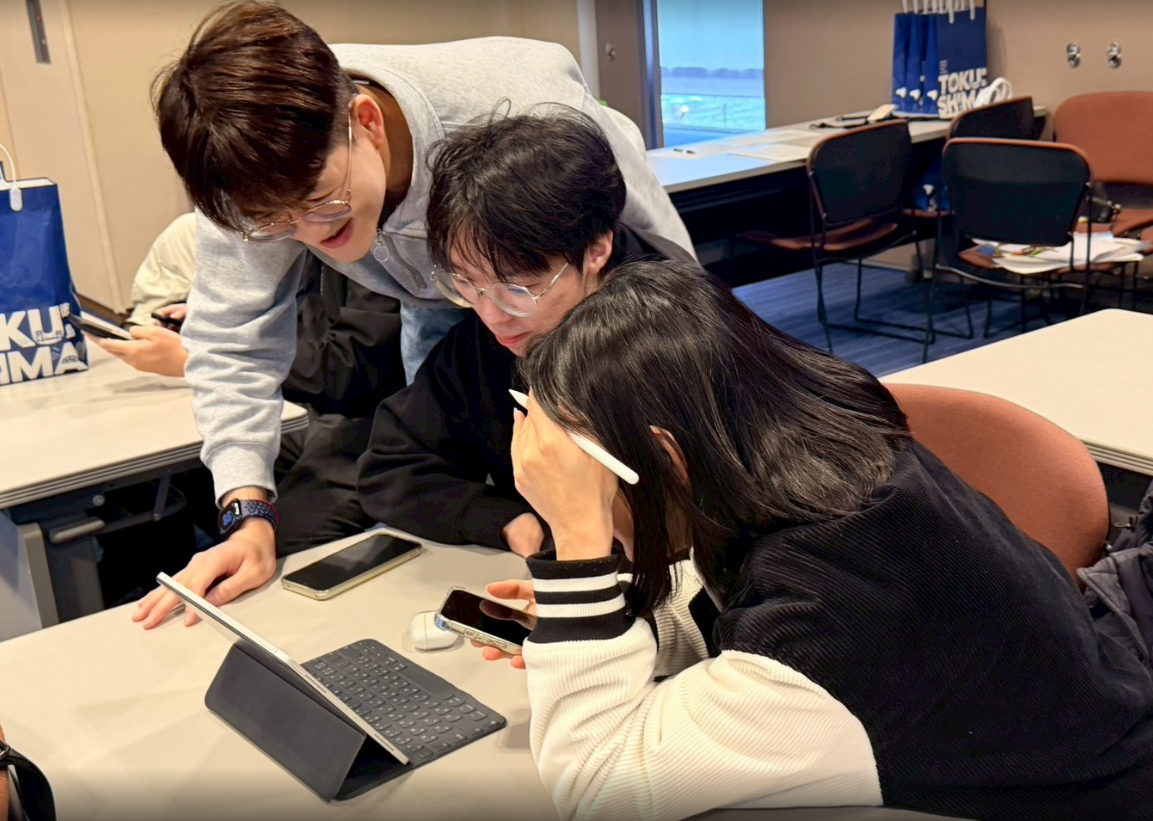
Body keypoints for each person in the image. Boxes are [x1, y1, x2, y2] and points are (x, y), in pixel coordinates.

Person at [480, 260, 1153, 820]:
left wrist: (579, 546)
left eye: (596, 480)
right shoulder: (824, 461)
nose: (598, 504)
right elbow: (733, 599)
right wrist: (607, 618)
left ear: (668, 460)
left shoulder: (827, 620)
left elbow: (595, 788)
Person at [135, 0, 692, 627]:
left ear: (367, 122)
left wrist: (691, 369)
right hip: (443, 315)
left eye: (321, 201)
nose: (308, 236)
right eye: (274, 224)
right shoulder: (248, 174)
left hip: (586, 301)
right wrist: (249, 516)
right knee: (472, 457)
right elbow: (233, 343)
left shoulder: (525, 109)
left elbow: (656, 252)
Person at [356, 109, 694, 558]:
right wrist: (508, 522)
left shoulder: (680, 338)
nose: (492, 316)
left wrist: (579, 553)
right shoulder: (486, 339)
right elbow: (392, 468)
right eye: (467, 284)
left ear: (597, 248)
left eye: (519, 288)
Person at [90, 215, 404, 615]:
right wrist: (214, 330)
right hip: (315, 412)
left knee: (283, 540)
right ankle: (151, 596)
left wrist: (193, 358)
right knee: (160, 474)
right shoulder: (279, 231)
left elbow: (354, 365)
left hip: (369, 425)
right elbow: (283, 331)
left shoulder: (368, 237)